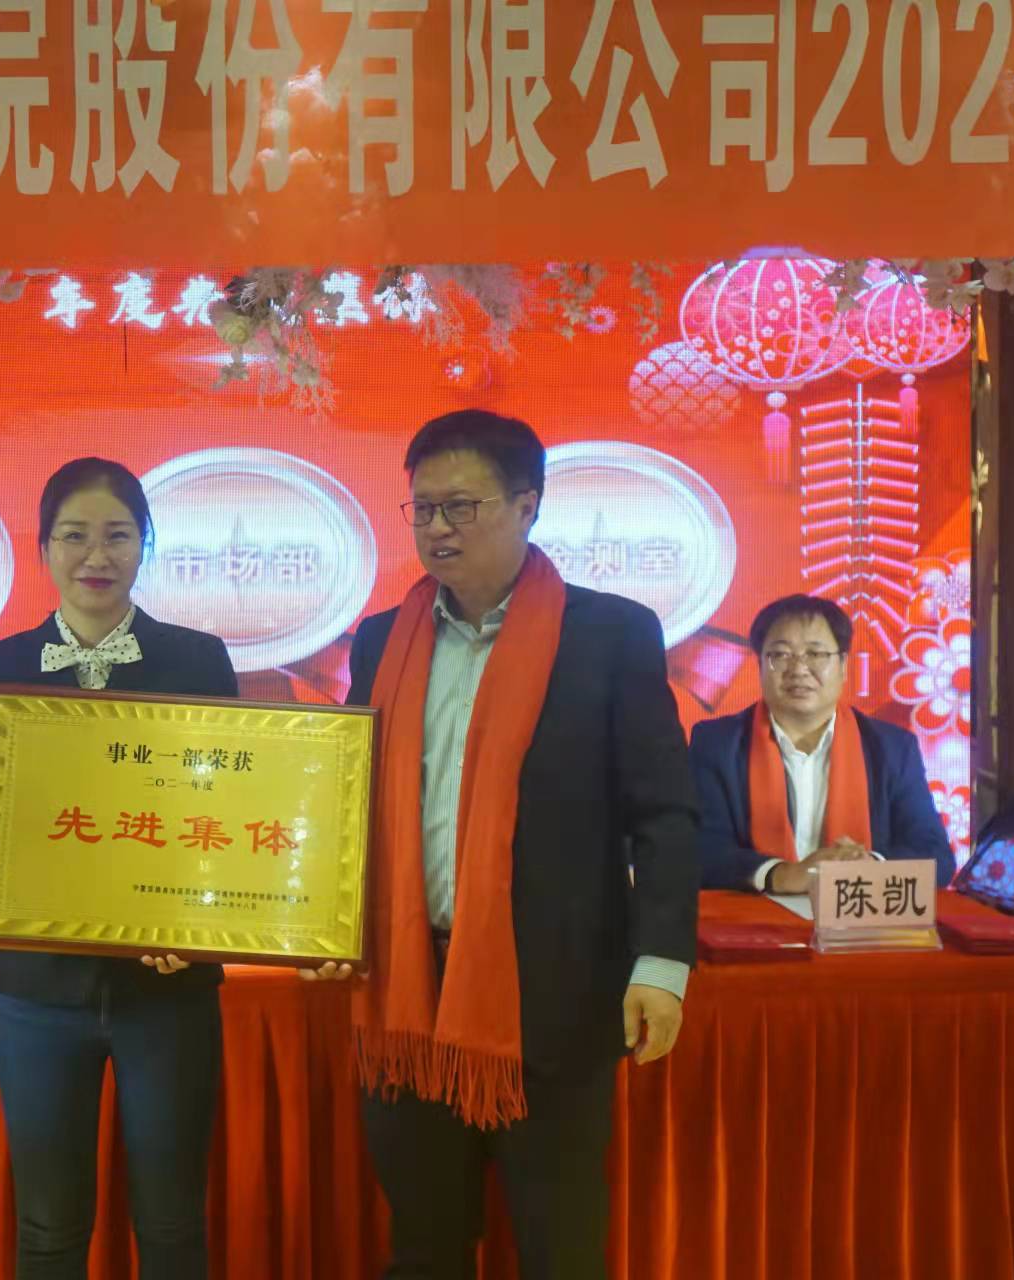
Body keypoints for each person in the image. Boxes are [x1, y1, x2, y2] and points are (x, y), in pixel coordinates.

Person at [319, 410, 699, 1280]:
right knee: (424, 1250)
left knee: (559, 1250)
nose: (437, 528)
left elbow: (666, 814)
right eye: (422, 509)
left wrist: (662, 964)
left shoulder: (610, 635)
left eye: (462, 506)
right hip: (408, 992)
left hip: (553, 996)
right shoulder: (382, 640)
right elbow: (348, 801)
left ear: (528, 505)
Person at [0, 458, 238, 1280]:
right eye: (74, 535)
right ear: (43, 547)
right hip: (38, 990)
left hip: (168, 988)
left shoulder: (197, 659)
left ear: (145, 544)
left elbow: (221, 815)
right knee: (49, 1225)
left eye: (117, 535)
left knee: (173, 1222)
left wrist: (199, 922)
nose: (96, 556)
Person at [688, 594, 955, 892]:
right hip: (756, 914)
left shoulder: (893, 748)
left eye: (815, 654)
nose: (799, 669)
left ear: (843, 665)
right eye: (781, 655)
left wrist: (870, 866)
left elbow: (936, 856)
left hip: (861, 913)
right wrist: (781, 875)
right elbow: (699, 849)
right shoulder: (716, 744)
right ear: (760, 665)